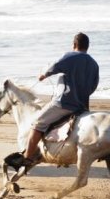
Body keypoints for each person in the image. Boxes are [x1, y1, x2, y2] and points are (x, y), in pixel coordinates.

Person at [22, 32, 99, 166]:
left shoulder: (70, 56)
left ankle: (27, 158)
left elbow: (54, 65)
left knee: (38, 123)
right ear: (87, 47)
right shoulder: (94, 64)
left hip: (63, 103)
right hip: (82, 107)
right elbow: (93, 87)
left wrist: (43, 75)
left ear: (74, 44)